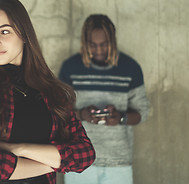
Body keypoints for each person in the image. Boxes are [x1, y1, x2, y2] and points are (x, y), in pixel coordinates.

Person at [0, 0, 95, 184]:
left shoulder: (51, 90)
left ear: (24, 35)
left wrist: (20, 149)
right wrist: (55, 162)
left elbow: (85, 154)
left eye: (4, 31)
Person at [59, 14, 150, 184]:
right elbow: (59, 112)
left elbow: (142, 112)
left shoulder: (130, 68)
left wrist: (120, 118)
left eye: (104, 44)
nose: (99, 50)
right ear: (84, 43)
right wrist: (82, 114)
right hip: (78, 159)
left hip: (118, 162)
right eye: (93, 45)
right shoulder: (70, 68)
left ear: (113, 41)